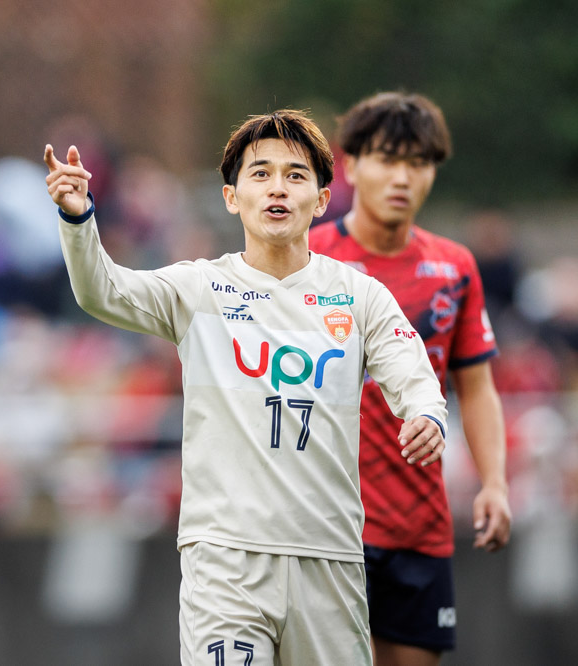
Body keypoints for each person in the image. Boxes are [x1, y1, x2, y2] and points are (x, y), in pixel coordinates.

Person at [44, 109, 448, 665]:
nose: (277, 187)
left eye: (295, 175)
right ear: (232, 198)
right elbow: (103, 292)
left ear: (322, 200)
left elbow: (409, 366)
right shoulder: (200, 288)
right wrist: (78, 218)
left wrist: (425, 412)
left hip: (328, 559)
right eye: (261, 174)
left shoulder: (360, 296)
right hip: (225, 561)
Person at [308, 91, 512, 666]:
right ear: (351, 166)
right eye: (387, 159)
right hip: (327, 526)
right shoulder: (307, 258)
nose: (403, 177)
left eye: (418, 162)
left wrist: (495, 483)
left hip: (419, 525)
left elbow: (476, 387)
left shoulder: (455, 267)